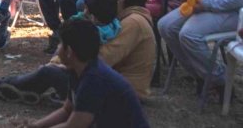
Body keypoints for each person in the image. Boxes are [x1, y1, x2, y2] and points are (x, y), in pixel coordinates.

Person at [0, 0, 156, 104]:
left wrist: (66, 64)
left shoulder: (133, 23)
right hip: (107, 81)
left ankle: (2, 86)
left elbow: (102, 60)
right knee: (54, 67)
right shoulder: (118, 19)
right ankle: (15, 86)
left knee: (50, 73)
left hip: (125, 92)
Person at [19, 18, 149, 128]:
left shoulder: (94, 79)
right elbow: (66, 110)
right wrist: (35, 126)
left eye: (60, 44)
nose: (58, 48)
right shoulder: (77, 70)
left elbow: (73, 126)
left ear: (69, 51)